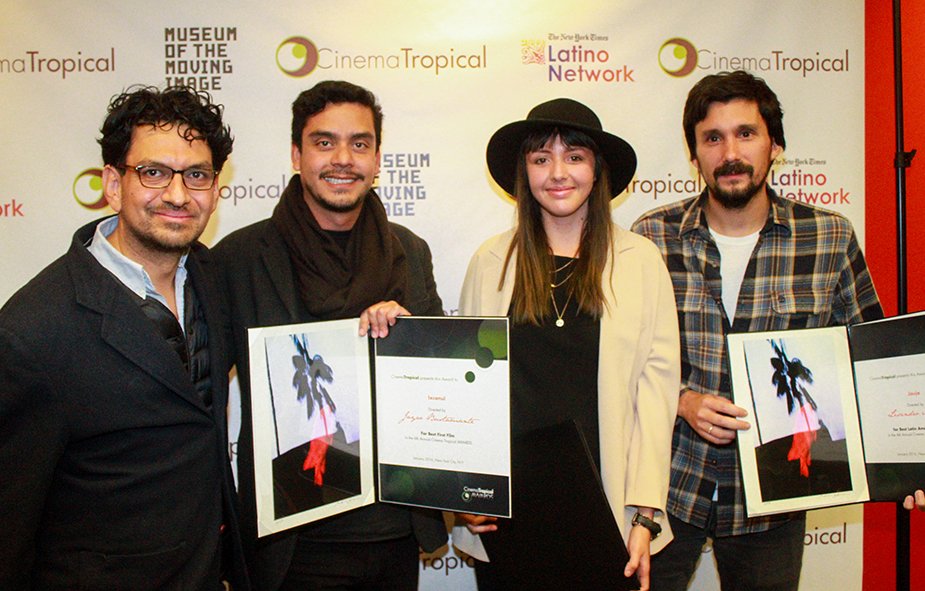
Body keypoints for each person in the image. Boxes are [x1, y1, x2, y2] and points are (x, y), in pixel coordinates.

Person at [632, 70, 883, 591]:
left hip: (777, 496)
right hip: (668, 486)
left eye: (746, 133)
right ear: (694, 154)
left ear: (775, 145)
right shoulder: (650, 238)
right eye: (712, 138)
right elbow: (618, 363)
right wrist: (681, 401)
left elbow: (870, 360)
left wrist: (905, 464)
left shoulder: (830, 236)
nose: (730, 152)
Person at [0, 86, 248, 590]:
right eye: (154, 172)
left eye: (197, 175)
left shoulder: (215, 279)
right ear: (113, 184)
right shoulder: (32, 330)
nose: (178, 195)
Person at [213, 80, 446, 591]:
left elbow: (439, 390)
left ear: (378, 158)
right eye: (324, 142)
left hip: (393, 532)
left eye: (359, 144)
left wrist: (410, 340)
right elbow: (204, 401)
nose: (343, 158)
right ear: (297, 154)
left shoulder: (410, 252)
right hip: (291, 544)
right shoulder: (237, 259)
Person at [456, 98, 681, 591]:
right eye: (541, 159)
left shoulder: (640, 262)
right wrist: (467, 494)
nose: (558, 173)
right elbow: (469, 389)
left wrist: (645, 516)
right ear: (524, 173)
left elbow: (656, 397)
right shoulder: (491, 261)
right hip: (509, 517)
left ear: (597, 171)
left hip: (608, 513)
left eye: (574, 157)